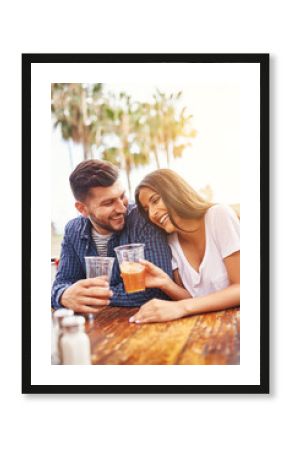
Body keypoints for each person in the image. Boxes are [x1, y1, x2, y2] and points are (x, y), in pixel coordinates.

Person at [51, 160, 173, 313]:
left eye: (122, 196)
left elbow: (156, 290)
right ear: (82, 208)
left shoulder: (142, 218)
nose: (122, 208)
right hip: (98, 327)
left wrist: (89, 296)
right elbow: (63, 282)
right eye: (109, 203)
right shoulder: (73, 230)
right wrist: (63, 295)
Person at [129, 169, 240, 323]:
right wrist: (165, 283)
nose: (152, 213)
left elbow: (242, 288)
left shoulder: (218, 216)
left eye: (155, 201)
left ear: (174, 191)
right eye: (147, 210)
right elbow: (193, 300)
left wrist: (181, 307)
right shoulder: (171, 242)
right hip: (205, 329)